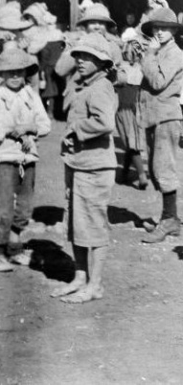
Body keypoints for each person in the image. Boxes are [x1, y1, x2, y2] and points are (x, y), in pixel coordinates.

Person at [51, 34, 118, 303]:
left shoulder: (101, 87)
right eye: (78, 55)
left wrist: (76, 130)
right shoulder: (83, 84)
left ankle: (95, 284)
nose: (79, 60)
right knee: (77, 222)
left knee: (94, 224)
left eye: (87, 56)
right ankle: (80, 277)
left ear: (101, 61)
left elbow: (104, 123)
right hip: (79, 162)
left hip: (96, 167)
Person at [0, 47, 51, 271]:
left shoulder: (31, 94)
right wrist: (13, 130)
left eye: (19, 72)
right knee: (3, 208)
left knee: (25, 205)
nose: (14, 76)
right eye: (9, 72)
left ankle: (14, 246)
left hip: (27, 158)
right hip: (4, 156)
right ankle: (0, 250)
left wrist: (30, 129)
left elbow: (45, 124)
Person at [139, 7, 183, 243]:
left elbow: (157, 81)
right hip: (156, 116)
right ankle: (171, 219)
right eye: (156, 28)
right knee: (158, 169)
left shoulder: (173, 54)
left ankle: (169, 221)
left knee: (163, 168)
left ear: (174, 31)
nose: (159, 32)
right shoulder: (161, 51)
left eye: (164, 28)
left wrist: (148, 55)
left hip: (166, 118)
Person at [116, 29, 148, 189]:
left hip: (126, 110)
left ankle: (138, 175)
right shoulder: (140, 69)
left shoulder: (122, 69)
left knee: (130, 143)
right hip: (132, 110)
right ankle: (131, 174)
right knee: (131, 143)